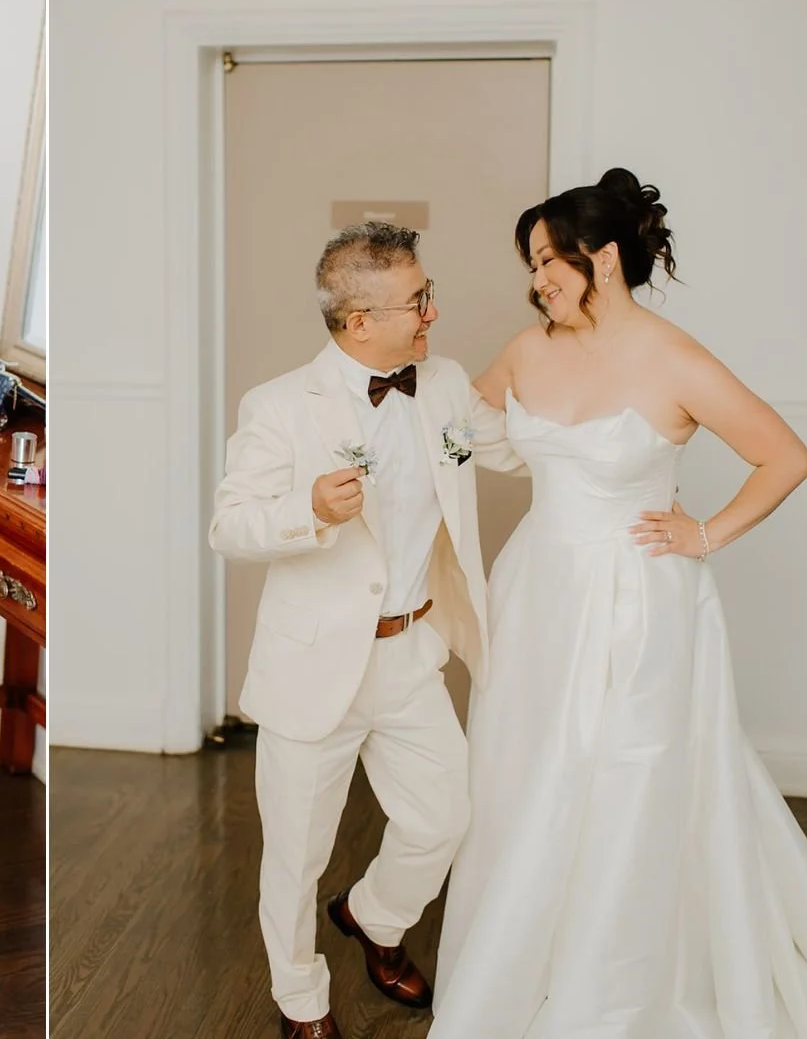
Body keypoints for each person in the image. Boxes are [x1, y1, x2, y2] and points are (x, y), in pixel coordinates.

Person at [430, 169, 807, 1036]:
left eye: (550, 258)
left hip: (637, 601)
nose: (537, 276)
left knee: (623, 778)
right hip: (539, 588)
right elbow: (458, 433)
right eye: (533, 262)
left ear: (606, 258)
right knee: (523, 773)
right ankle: (521, 958)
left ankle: (612, 976)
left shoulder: (676, 358)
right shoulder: (527, 348)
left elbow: (786, 455)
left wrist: (706, 534)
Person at [208, 222, 525, 1039]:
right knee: (294, 856)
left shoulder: (446, 383)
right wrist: (306, 511)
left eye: (426, 292)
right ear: (358, 322)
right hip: (313, 669)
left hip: (414, 654)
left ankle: (374, 917)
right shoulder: (279, 406)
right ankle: (301, 1001)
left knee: (445, 819)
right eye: (417, 300)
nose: (433, 311)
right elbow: (230, 528)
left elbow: (516, 452)